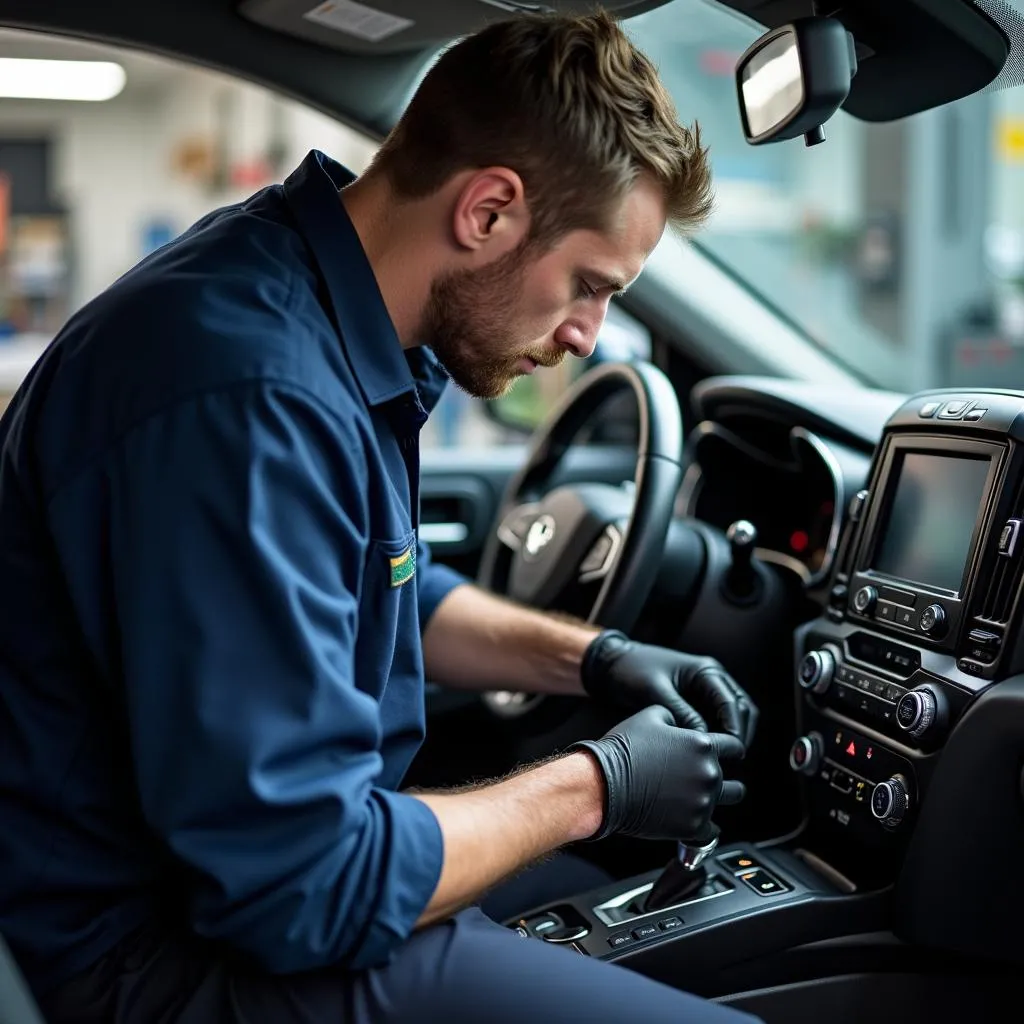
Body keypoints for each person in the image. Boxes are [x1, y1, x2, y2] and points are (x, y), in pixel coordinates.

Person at [0, 10, 763, 1024]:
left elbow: (380, 580)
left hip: (227, 890)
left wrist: (593, 657)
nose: (589, 333)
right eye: (587, 285)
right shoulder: (253, 397)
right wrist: (597, 784)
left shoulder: (300, 296)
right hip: (148, 961)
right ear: (489, 210)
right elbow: (304, 887)